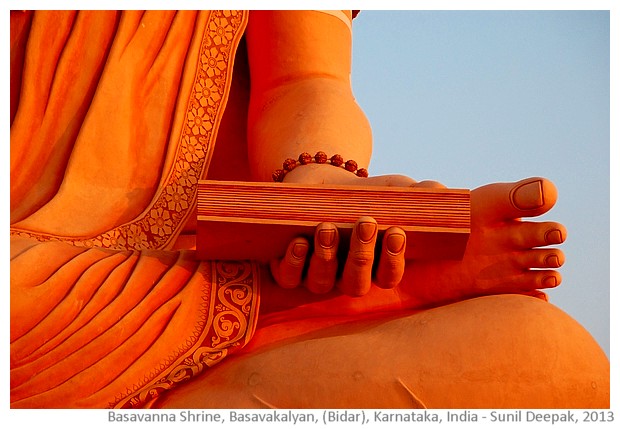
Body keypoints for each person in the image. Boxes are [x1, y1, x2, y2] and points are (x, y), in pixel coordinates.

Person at [10, 10, 609, 409]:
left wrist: (322, 183)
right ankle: (295, 291)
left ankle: (310, 287)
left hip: (197, 254)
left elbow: (306, 76)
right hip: (30, 273)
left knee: (546, 356)